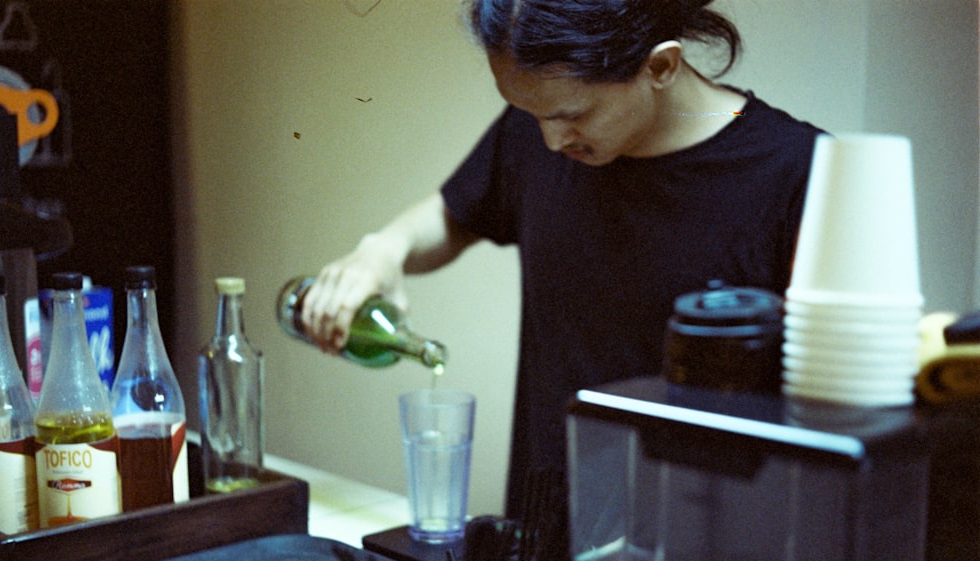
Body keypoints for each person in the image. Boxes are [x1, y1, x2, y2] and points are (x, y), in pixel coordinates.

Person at [299, 0, 825, 519]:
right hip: (550, 530)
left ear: (660, 66)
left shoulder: (799, 172)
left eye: (572, 116)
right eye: (534, 115)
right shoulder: (539, 130)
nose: (551, 141)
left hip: (709, 545)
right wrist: (384, 248)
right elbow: (455, 215)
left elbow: (835, 409)